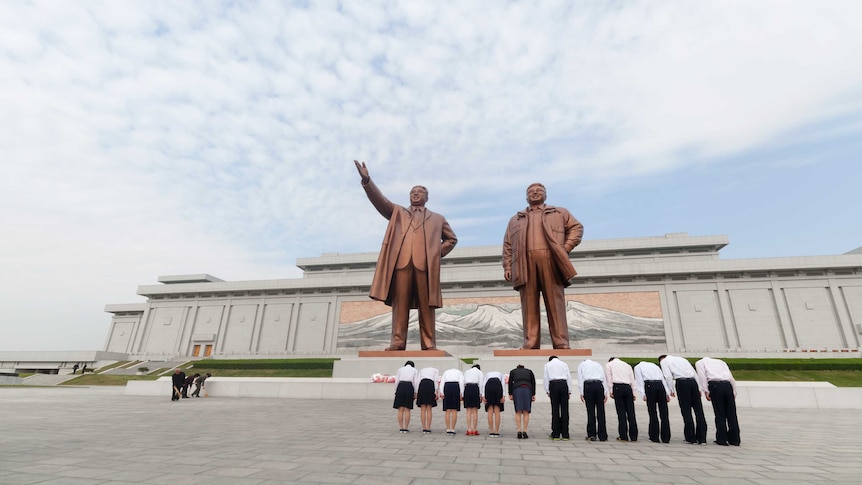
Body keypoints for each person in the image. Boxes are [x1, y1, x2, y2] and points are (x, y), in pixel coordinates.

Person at [354, 161, 458, 351]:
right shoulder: (398, 213)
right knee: (399, 305)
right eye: (412, 192)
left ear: (426, 198)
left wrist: (435, 254)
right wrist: (367, 180)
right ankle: (397, 342)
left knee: (427, 307)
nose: (415, 194)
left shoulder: (437, 219)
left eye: (419, 192)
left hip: (425, 267)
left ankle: (428, 344)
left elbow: (451, 239)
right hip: (402, 265)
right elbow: (381, 201)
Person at [502, 183, 584, 349]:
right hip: (525, 263)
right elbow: (508, 245)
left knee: (555, 302)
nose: (535, 193)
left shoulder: (560, 213)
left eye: (539, 191)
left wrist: (565, 248)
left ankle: (561, 341)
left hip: (551, 261)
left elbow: (577, 228)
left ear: (545, 195)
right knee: (529, 304)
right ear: (526, 197)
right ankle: (530, 342)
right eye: (531, 191)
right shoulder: (515, 219)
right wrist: (508, 267)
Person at [659, 354, 707, 445]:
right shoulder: (682, 359)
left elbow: (668, 376)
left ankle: (691, 437)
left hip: (682, 383)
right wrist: (699, 388)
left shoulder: (664, 361)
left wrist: (671, 389)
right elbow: (694, 373)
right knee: (699, 411)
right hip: (693, 382)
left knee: (686, 411)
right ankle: (702, 438)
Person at [696, 357, 740, 446]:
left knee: (720, 413)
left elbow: (702, 377)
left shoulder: (700, 363)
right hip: (727, 385)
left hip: (715, 385)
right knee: (732, 413)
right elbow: (731, 377)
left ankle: (722, 438)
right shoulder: (721, 362)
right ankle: (735, 439)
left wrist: (706, 390)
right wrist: (734, 390)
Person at [634, 361, 672, 443]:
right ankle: (666, 437)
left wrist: (643, 393)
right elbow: (663, 379)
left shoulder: (638, 367)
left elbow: (639, 381)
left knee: (652, 412)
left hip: (649, 385)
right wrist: (667, 393)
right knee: (664, 413)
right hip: (660, 385)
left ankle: (654, 436)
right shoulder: (655, 365)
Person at [605, 357, 638, 442]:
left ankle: (623, 435)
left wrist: (611, 390)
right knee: (631, 413)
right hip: (628, 388)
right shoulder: (627, 365)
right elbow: (632, 379)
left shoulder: (609, 365)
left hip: (618, 387)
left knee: (621, 413)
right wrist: (633, 392)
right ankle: (634, 436)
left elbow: (609, 379)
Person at [577, 358, 608, 441]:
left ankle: (592, 434)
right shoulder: (598, 364)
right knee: (601, 411)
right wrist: (605, 392)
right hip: (599, 385)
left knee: (590, 411)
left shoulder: (581, 365)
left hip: (588, 386)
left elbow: (580, 379)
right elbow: (604, 378)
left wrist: (581, 392)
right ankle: (603, 435)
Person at [508, 364, 536, 439]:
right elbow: (533, 382)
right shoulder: (529, 371)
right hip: (527, 389)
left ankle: (519, 431)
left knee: (518, 411)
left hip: (517, 389)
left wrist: (510, 394)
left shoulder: (513, 372)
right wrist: (533, 394)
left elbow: (510, 383)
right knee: (526, 411)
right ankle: (525, 431)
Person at [393, 361, 419, 433]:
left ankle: (401, 427)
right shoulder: (414, 370)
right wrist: (415, 392)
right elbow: (416, 382)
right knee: (407, 409)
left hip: (400, 386)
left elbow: (397, 381)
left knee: (400, 409)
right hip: (409, 386)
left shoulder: (400, 369)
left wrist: (395, 390)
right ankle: (406, 428)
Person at [439, 367, 465, 436]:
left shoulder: (446, 372)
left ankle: (448, 429)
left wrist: (441, 392)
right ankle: (452, 429)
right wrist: (461, 393)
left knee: (447, 410)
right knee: (454, 410)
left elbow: (442, 382)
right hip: (455, 387)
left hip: (447, 387)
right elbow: (461, 382)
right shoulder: (459, 372)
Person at [416, 366, 439, 434]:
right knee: (429, 408)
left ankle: (423, 427)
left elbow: (418, 381)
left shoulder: (421, 369)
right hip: (430, 385)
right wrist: (436, 391)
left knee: (423, 408)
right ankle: (428, 428)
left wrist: (417, 392)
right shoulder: (435, 370)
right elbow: (435, 381)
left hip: (422, 385)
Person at [482, 369, 505, 437]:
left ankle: (491, 431)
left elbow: (484, 384)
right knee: (497, 410)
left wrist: (483, 395)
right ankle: (497, 431)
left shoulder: (487, 374)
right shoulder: (500, 374)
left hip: (489, 386)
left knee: (490, 410)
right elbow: (503, 384)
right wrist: (503, 396)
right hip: (498, 386)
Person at [463, 364, 483, 436]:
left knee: (468, 410)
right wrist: (481, 395)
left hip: (467, 388)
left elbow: (463, 382)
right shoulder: (479, 372)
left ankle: (469, 429)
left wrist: (462, 394)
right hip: (475, 388)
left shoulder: (467, 371)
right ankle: (474, 430)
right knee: (475, 411)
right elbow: (481, 384)